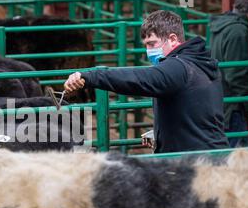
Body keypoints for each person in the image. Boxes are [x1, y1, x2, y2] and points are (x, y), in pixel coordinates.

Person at [64, 10, 229, 153]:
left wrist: (91, 76)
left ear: (172, 39)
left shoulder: (177, 67)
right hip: (210, 154)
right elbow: (196, 113)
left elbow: (139, 80)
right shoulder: (199, 64)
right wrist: (159, 133)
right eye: (146, 45)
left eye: (152, 44)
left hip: (194, 163)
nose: (148, 51)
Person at [210, 0, 248, 147]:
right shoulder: (238, 32)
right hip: (233, 107)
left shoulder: (226, 25)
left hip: (223, 101)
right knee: (236, 154)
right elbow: (237, 74)